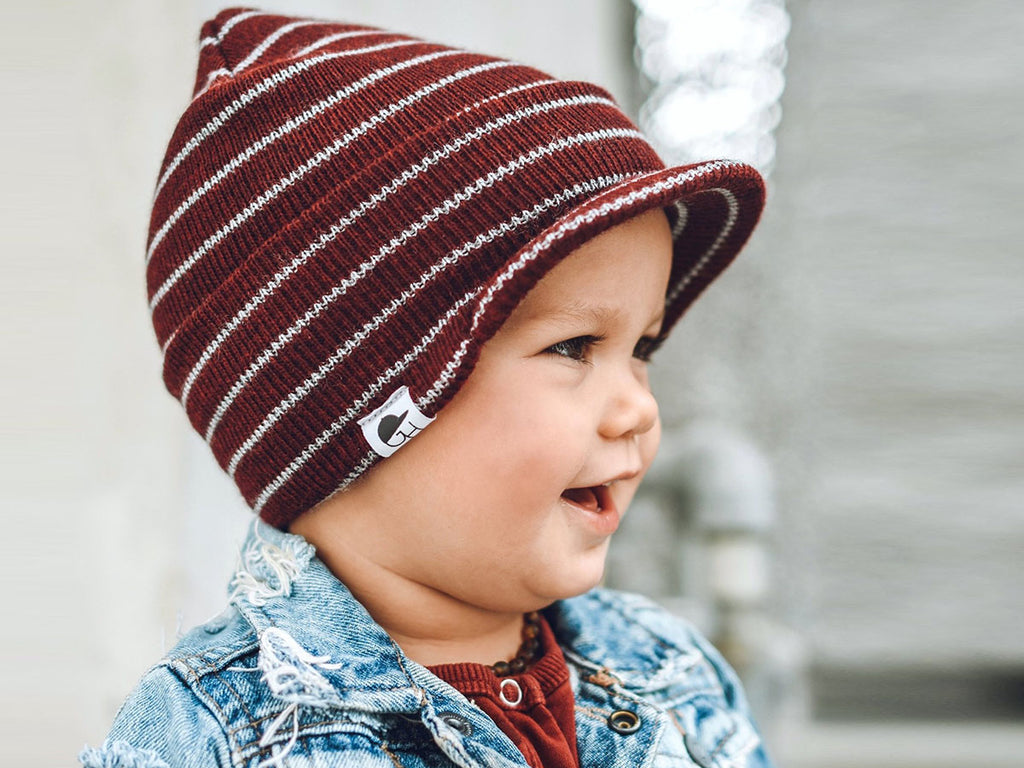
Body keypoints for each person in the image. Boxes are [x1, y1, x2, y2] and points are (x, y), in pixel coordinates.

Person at [81, 7, 774, 767]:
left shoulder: (669, 669)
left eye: (641, 348)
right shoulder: (212, 736)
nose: (640, 407)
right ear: (358, 411)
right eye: (574, 346)